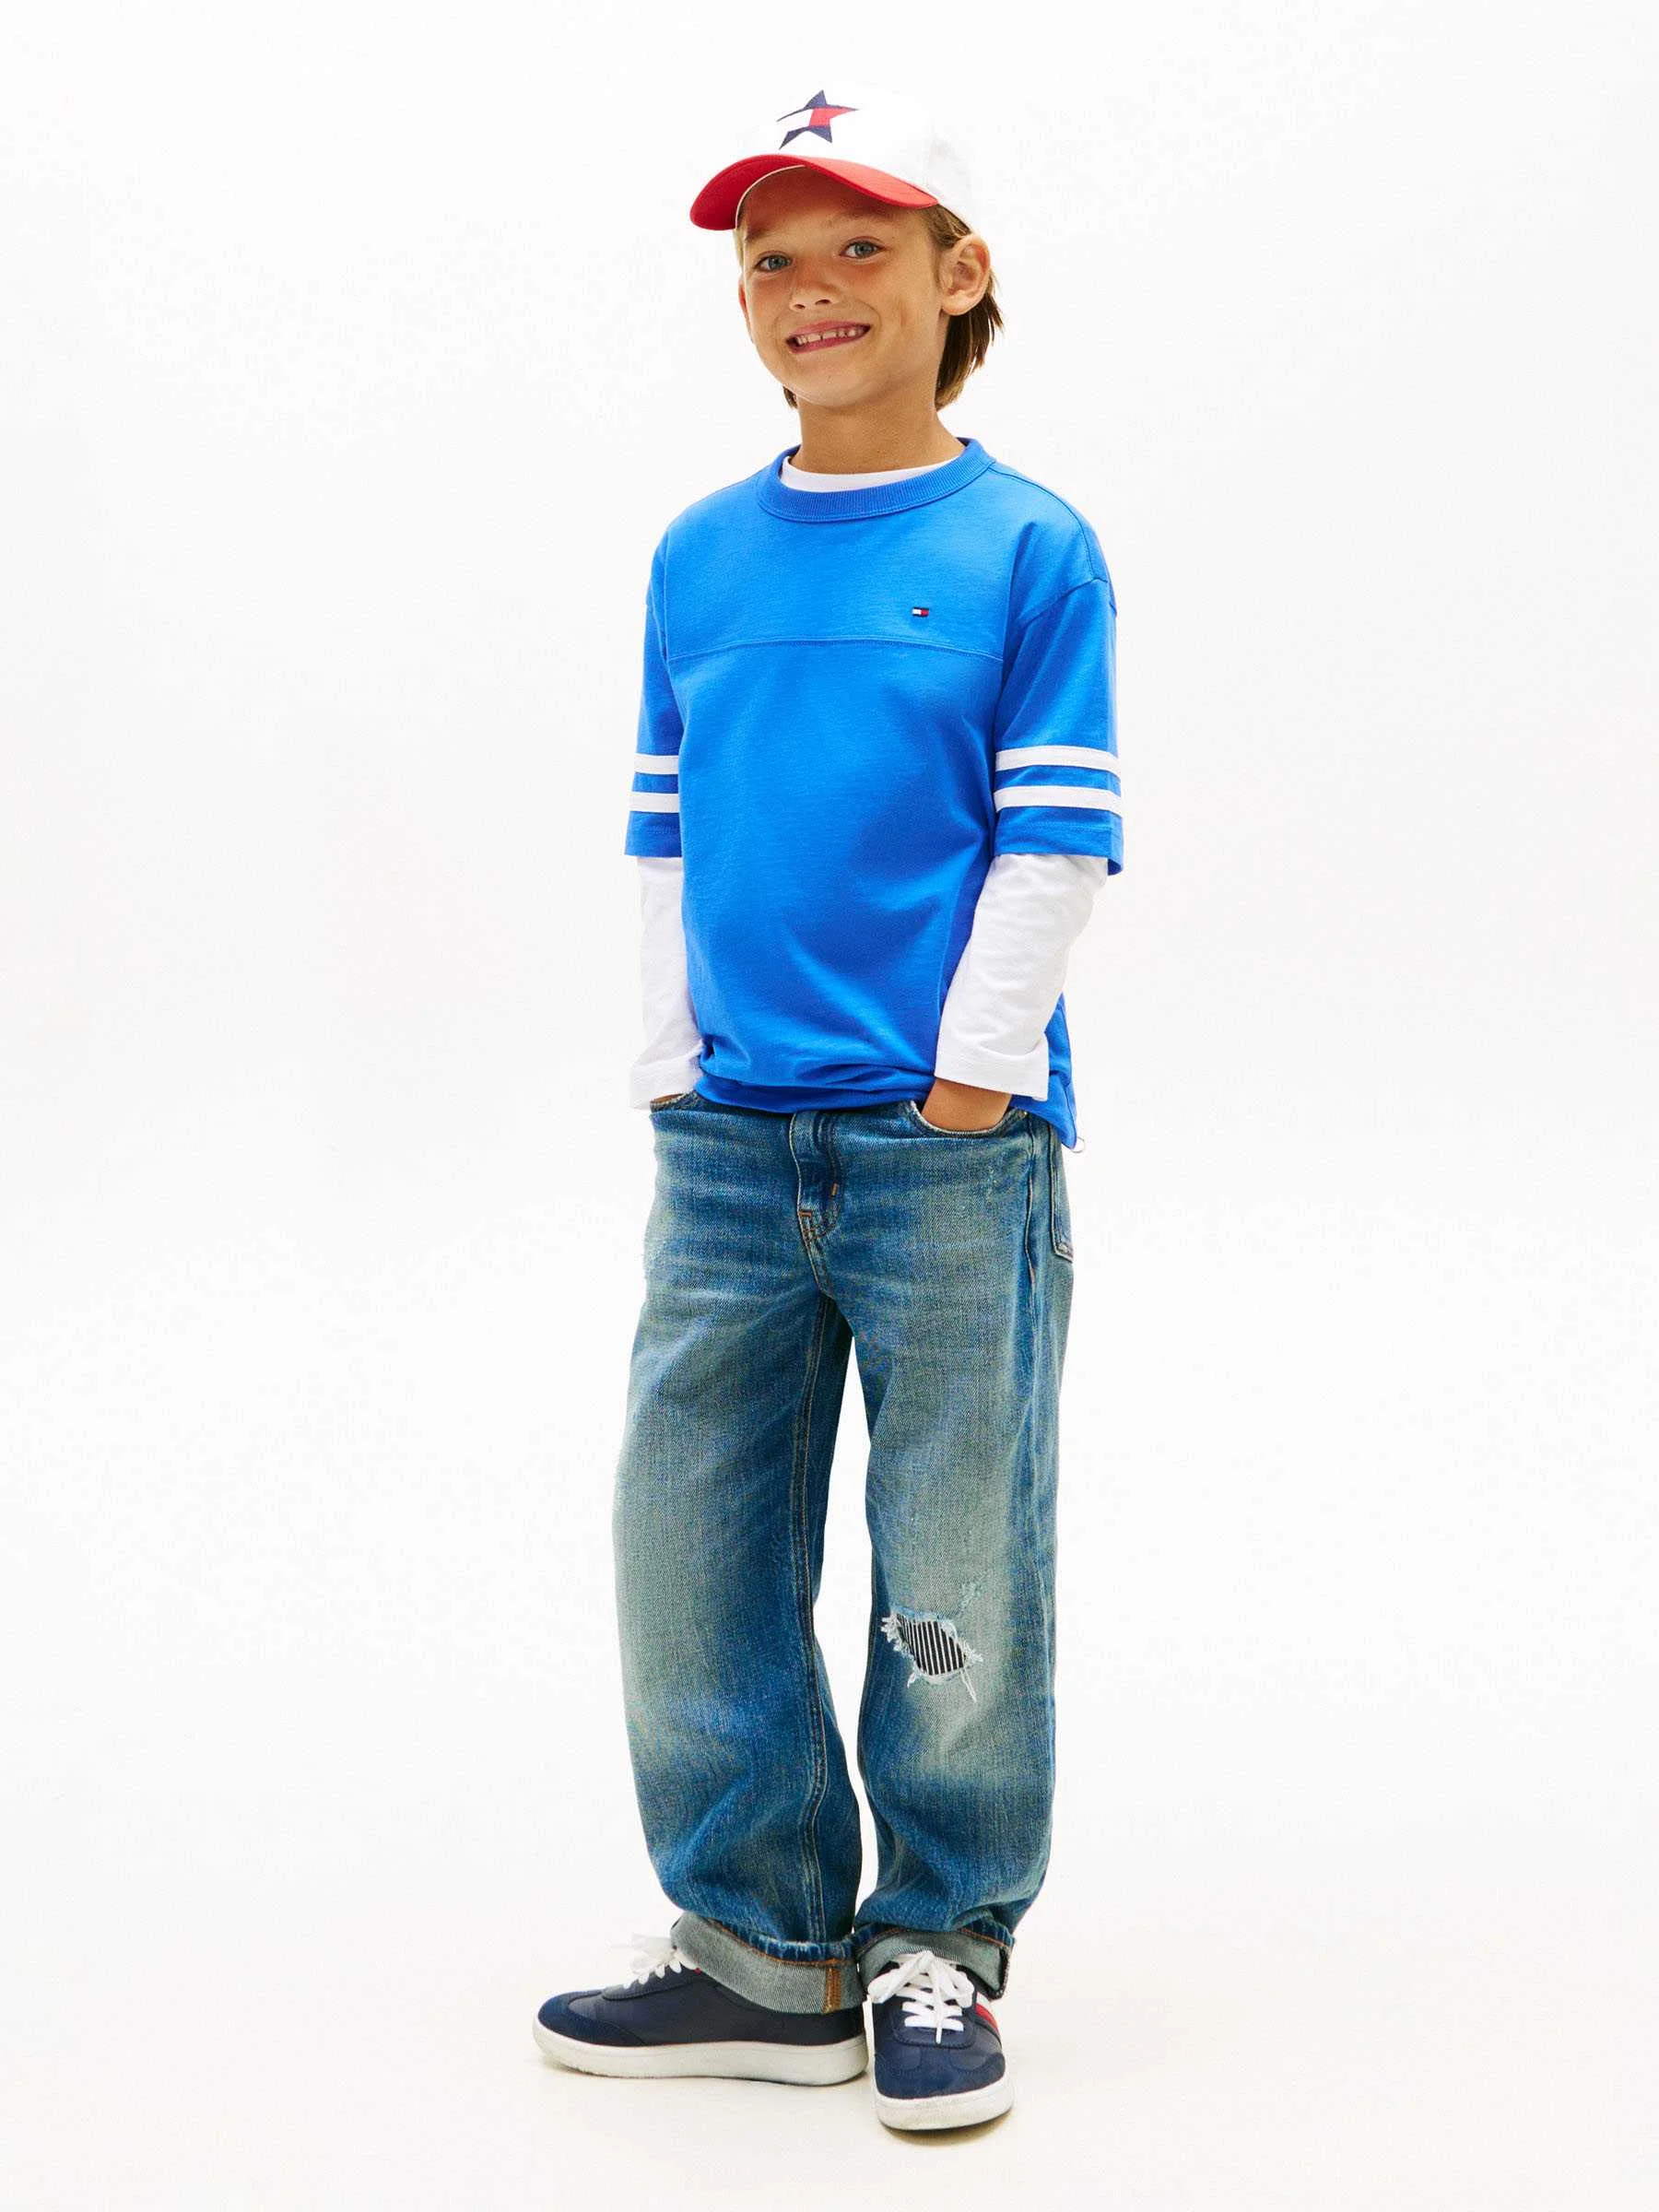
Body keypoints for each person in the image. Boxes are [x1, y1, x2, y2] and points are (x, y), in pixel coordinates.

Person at [534, 84, 1124, 2134]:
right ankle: (761, 1946)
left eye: (862, 246)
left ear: (960, 276)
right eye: (771, 257)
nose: (812, 287)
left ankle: (935, 1942)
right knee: (689, 1543)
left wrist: (970, 1083)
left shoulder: (1026, 545)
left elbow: (1054, 837)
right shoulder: (700, 554)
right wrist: (671, 1070)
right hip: (727, 1148)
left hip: (945, 1155)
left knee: (953, 1559)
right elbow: (665, 830)